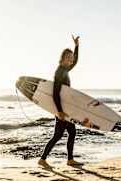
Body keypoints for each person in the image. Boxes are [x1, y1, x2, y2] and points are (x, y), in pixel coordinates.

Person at [38, 35, 84, 169]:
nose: (71, 60)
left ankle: (69, 159)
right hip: (61, 109)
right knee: (58, 135)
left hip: (65, 108)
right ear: (63, 58)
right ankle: (43, 159)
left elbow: (75, 61)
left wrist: (76, 46)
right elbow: (55, 93)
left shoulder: (65, 69)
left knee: (71, 132)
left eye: (71, 58)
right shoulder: (59, 72)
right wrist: (59, 111)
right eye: (68, 57)